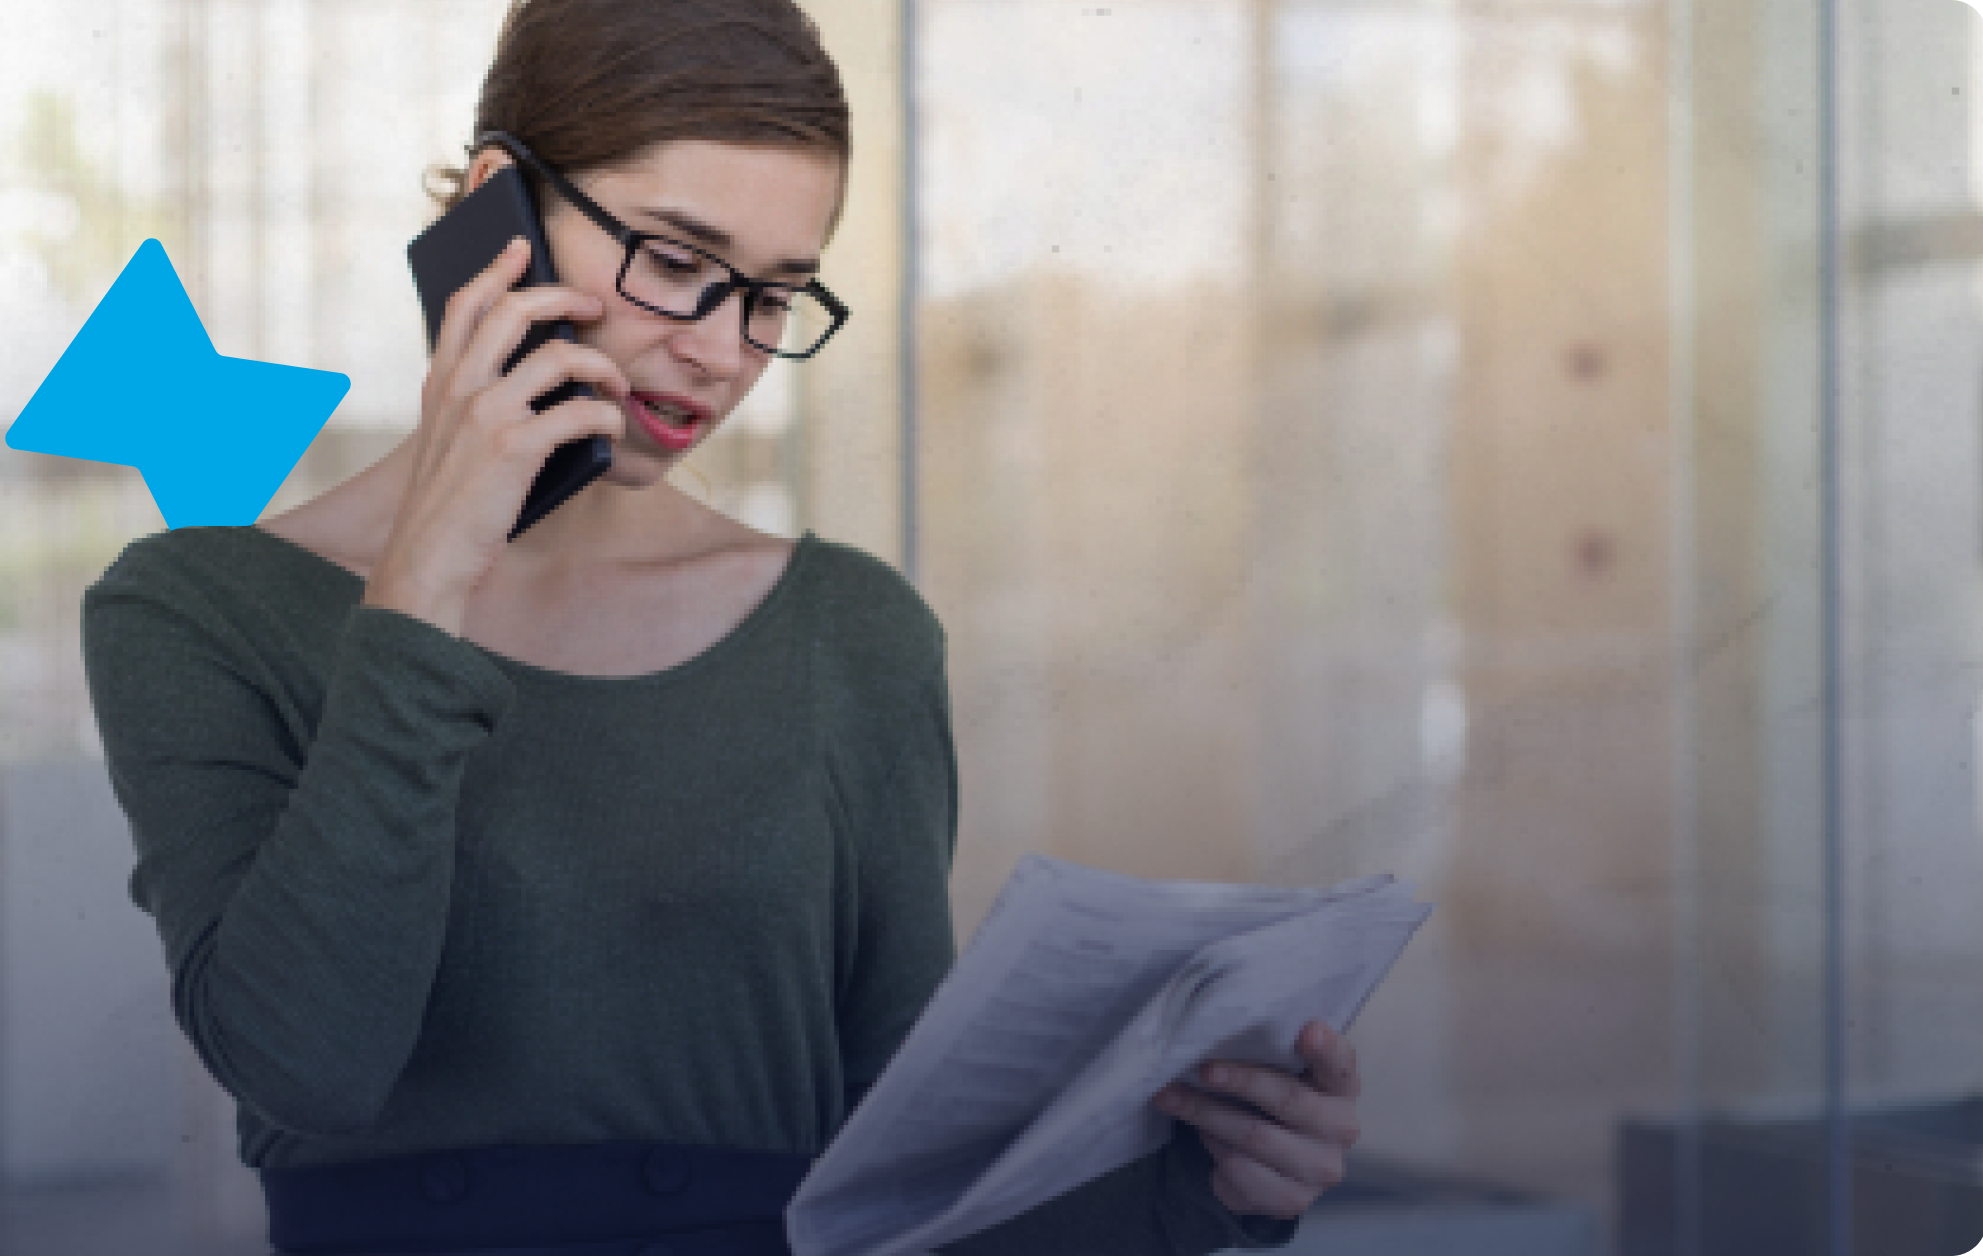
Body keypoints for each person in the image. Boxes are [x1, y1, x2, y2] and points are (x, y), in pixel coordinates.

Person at [80, 1, 1362, 1252]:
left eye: (773, 294)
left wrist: (1213, 1187)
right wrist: (427, 583)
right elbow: (306, 1062)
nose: (721, 350)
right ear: (494, 210)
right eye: (678, 262)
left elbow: (908, 1183)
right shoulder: (195, 611)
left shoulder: (854, 633)